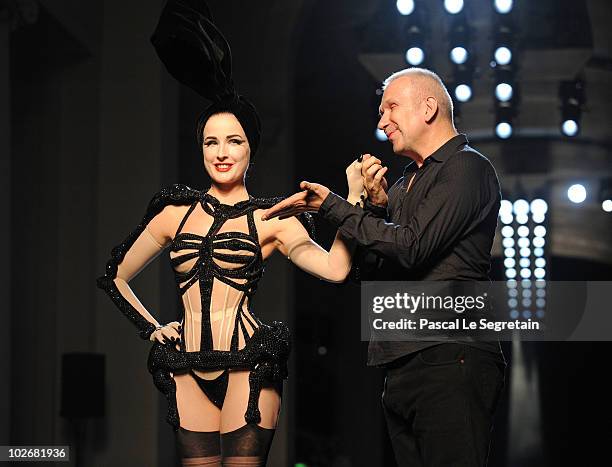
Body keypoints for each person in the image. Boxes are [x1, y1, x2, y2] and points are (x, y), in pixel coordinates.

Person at [97, 2, 363, 466]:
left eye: (234, 141)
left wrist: (352, 202)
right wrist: (152, 328)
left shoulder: (272, 219)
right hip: (184, 365)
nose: (221, 153)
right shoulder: (172, 214)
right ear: (200, 146)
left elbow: (337, 270)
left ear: (251, 150)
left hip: (249, 362)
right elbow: (115, 276)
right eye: (210, 141)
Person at [262, 67, 506, 467]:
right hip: (400, 361)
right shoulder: (402, 185)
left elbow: (411, 247)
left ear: (429, 108)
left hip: (451, 357)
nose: (381, 121)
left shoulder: (467, 168)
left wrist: (332, 206)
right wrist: (373, 205)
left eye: (391, 107)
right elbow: (369, 273)